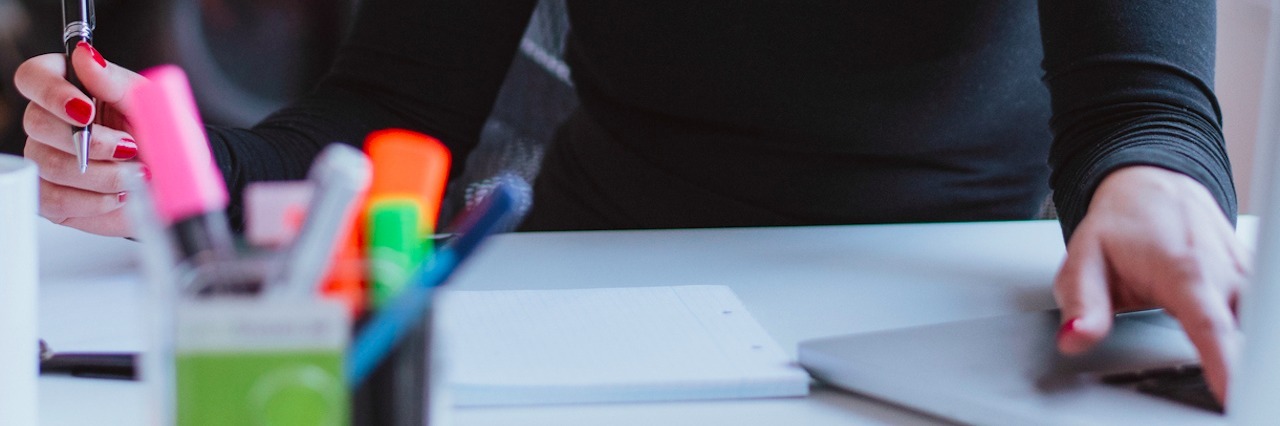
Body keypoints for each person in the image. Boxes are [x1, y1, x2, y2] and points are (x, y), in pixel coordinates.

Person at [14, 0, 1248, 404]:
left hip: (934, 323)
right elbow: (391, 109)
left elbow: (1141, 109)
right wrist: (186, 169)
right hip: (605, 311)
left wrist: (1152, 189)